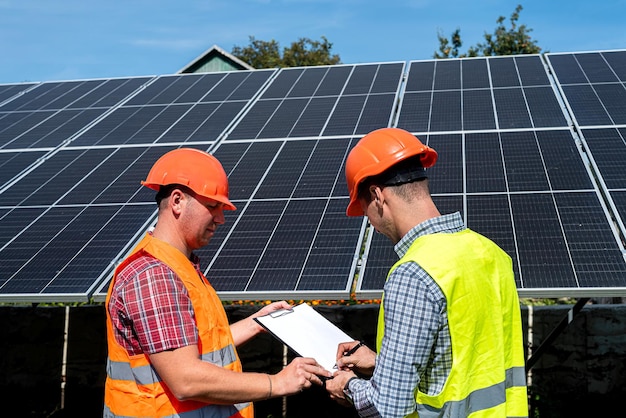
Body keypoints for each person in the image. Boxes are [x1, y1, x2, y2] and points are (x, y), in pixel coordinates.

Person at [104, 147, 330, 417]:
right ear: (177, 201)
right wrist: (277, 382)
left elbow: (197, 345)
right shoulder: (153, 275)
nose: (221, 219)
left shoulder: (178, 266)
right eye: (212, 206)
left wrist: (256, 323)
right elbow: (186, 379)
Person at [324, 128, 528, 417]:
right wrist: (384, 365)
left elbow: (390, 408)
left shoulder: (414, 275)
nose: (369, 222)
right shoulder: (491, 253)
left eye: (364, 209)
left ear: (377, 195)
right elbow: (462, 363)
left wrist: (347, 385)